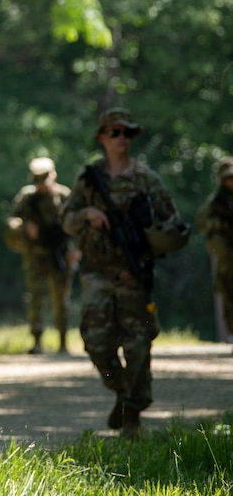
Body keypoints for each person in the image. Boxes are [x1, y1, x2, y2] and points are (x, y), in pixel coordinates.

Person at [61, 107, 188, 438]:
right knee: (97, 343)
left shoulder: (147, 179)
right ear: (102, 137)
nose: (122, 139)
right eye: (114, 132)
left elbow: (173, 224)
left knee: (138, 347)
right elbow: (66, 218)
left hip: (135, 275)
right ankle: (123, 393)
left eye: (127, 133)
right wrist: (87, 212)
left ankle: (132, 413)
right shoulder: (90, 179)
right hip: (98, 273)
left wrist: (149, 244)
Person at [6, 157, 78, 354]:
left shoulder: (64, 196)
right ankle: (37, 341)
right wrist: (24, 227)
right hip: (35, 255)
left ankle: (63, 341)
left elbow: (78, 225)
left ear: (53, 176)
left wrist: (75, 250)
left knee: (61, 298)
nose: (42, 186)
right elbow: (12, 222)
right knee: (36, 297)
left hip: (60, 253)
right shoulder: (27, 198)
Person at [196, 156, 233, 348]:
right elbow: (203, 222)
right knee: (228, 292)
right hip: (228, 256)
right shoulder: (216, 202)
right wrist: (219, 225)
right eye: (228, 178)